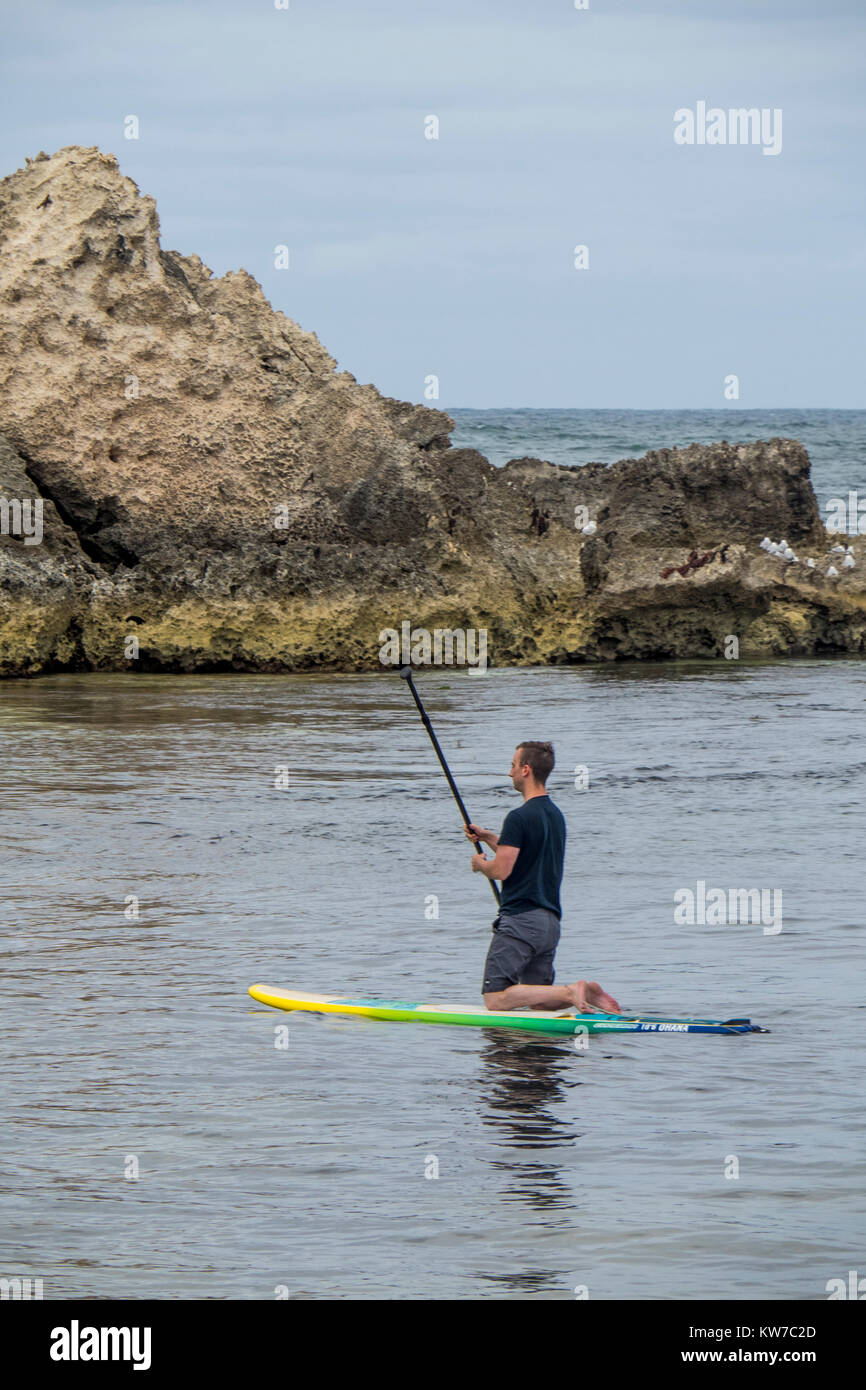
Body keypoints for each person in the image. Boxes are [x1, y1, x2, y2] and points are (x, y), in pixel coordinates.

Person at [465, 741, 620, 1016]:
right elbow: (525, 853)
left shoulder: (518, 817)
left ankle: (570, 991)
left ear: (526, 770)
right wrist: (489, 837)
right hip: (549, 923)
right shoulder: (554, 815)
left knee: (495, 998)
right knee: (539, 1004)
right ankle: (589, 994)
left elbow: (502, 870)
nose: (509, 772)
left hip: (521, 920)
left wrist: (481, 865)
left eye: (512, 766)